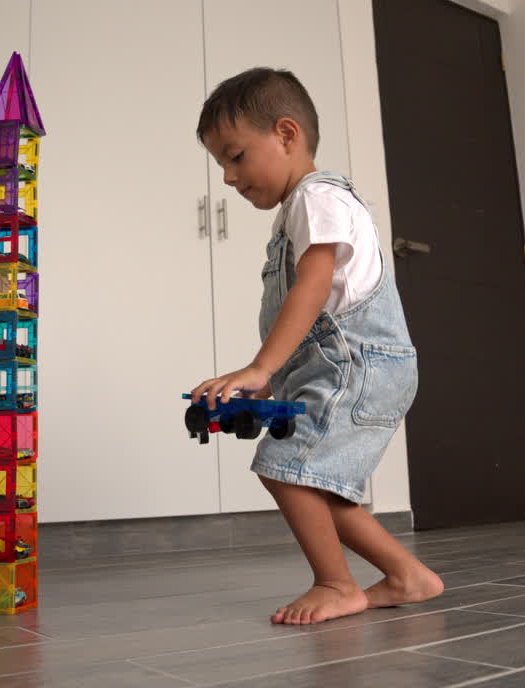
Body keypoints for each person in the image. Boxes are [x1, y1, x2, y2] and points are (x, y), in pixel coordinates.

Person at [190, 67, 443, 625]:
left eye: (235, 157)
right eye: (221, 166)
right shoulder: (300, 210)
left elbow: (312, 286)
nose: (229, 178)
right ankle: (407, 577)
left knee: (286, 466)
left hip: (360, 365)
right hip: (343, 367)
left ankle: (335, 583)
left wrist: (260, 368)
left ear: (286, 134)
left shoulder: (317, 197)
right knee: (315, 481)